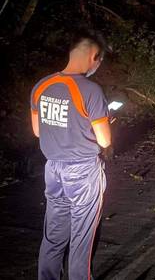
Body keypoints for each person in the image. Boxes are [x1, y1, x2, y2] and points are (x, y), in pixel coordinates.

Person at [30, 31, 111, 279]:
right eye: (99, 61)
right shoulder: (91, 90)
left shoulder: (41, 86)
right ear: (93, 57)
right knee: (82, 240)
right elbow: (104, 139)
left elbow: (37, 131)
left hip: (53, 169)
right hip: (83, 172)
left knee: (53, 235)